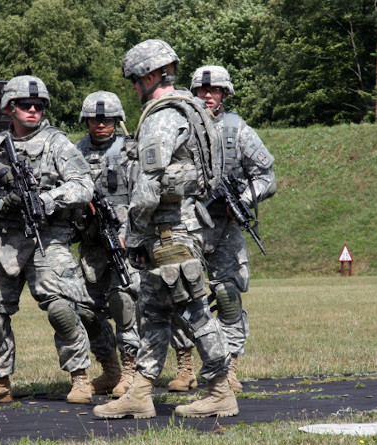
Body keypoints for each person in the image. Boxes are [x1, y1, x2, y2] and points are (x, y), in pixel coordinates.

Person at [93, 40, 237, 419]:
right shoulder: (192, 110)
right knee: (153, 310)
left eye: (137, 80)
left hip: (169, 230)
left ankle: (221, 390)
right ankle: (140, 392)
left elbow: (149, 183)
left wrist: (134, 231)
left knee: (194, 310)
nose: (135, 88)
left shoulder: (161, 116)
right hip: (181, 224)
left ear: (153, 75)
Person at [0, 75, 95, 404]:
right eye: (25, 105)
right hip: (3, 239)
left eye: (39, 106)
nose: (33, 110)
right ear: (10, 108)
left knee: (62, 310)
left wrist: (46, 200)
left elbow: (84, 185)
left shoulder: (57, 143)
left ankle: (80, 377)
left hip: (47, 237)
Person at [167, 66, 277, 395]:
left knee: (228, 296)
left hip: (225, 227)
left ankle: (228, 368)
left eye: (215, 90)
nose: (208, 95)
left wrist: (243, 199)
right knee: (180, 295)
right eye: (202, 90)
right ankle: (185, 366)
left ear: (225, 94)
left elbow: (267, 176)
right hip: (185, 225)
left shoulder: (237, 129)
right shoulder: (177, 127)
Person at [74, 91, 141, 398]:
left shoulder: (131, 152)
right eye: (94, 120)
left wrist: (130, 232)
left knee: (124, 301)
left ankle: (130, 370)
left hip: (124, 241)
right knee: (86, 308)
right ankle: (111, 370)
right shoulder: (75, 152)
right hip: (91, 244)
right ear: (85, 121)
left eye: (107, 119)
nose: (101, 125)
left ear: (117, 120)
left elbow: (144, 196)